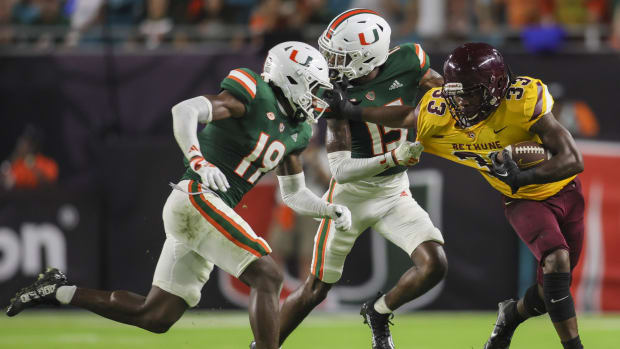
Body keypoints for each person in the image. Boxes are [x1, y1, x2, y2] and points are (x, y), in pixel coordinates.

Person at [5, 41, 353, 349]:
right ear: (289, 79)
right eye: (311, 88)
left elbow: (294, 195)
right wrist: (197, 159)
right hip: (197, 196)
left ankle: (58, 290)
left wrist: (327, 209)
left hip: (203, 209)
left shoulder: (299, 130)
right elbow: (184, 110)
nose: (316, 100)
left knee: (155, 315)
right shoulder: (252, 92)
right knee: (268, 275)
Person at [325, 42, 586, 349]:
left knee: (551, 293)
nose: (461, 101)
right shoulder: (440, 115)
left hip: (565, 192)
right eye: (455, 93)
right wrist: (352, 111)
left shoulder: (523, 101)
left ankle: (511, 315)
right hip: (522, 200)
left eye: (471, 92)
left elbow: (573, 159)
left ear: (497, 86)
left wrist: (524, 175)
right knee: (556, 261)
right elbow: (408, 116)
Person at [257, 9, 448, 349]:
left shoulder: (410, 59)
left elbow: (440, 97)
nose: (330, 61)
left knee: (434, 264)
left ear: (367, 56)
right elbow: (341, 170)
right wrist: (393, 156)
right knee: (315, 290)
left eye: (339, 55)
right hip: (350, 196)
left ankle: (378, 312)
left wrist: (448, 100)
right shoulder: (333, 92)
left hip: (394, 191)